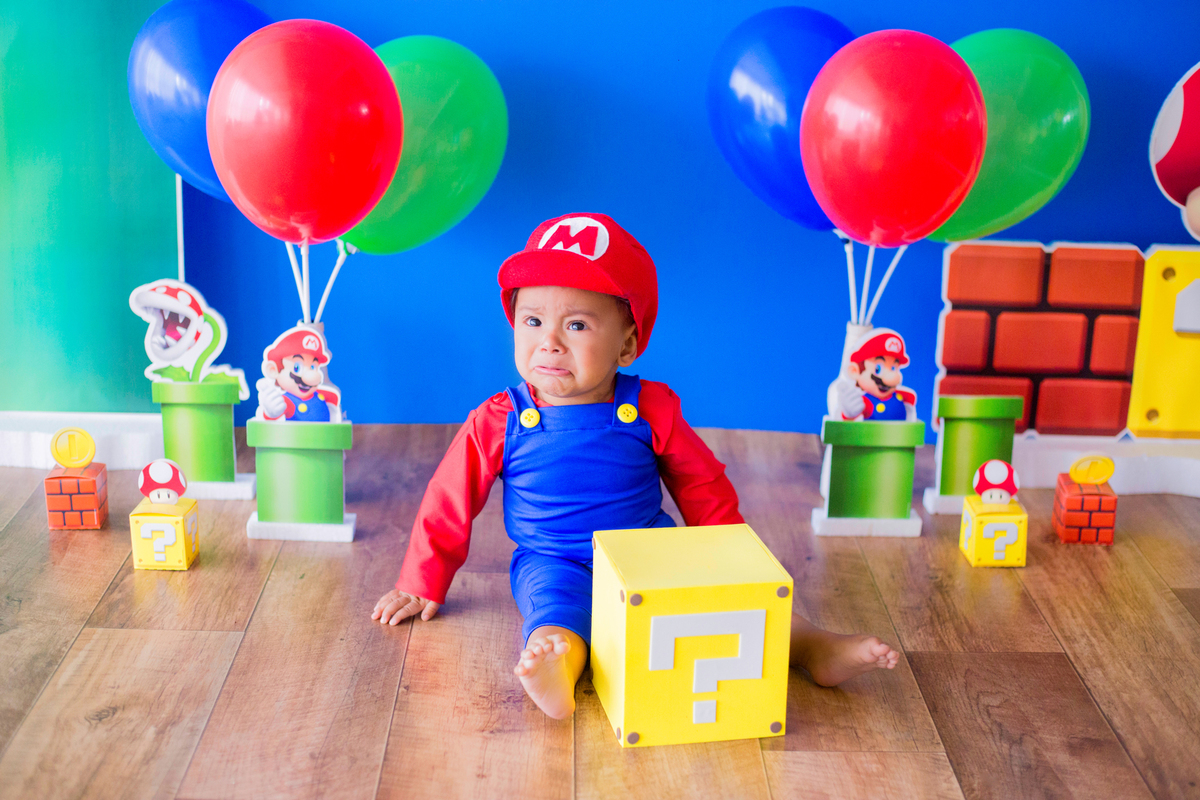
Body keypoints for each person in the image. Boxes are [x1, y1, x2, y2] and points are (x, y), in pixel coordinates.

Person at [372, 213, 899, 719]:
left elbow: (701, 482)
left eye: (576, 324)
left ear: (626, 344)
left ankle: (809, 645)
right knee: (555, 616)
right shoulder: (501, 417)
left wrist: (730, 556)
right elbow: (450, 497)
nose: (549, 341)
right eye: (532, 320)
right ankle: (559, 663)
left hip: (649, 550)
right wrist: (423, 579)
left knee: (728, 600)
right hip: (553, 558)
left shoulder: (651, 407)